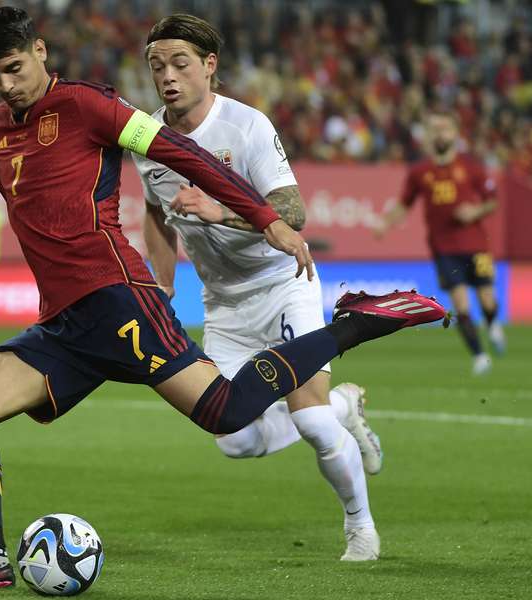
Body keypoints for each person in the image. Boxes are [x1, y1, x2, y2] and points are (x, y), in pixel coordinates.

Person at [0, 7, 445, 589]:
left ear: (41, 52)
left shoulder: (90, 108)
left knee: (225, 414)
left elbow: (188, 158)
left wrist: (267, 218)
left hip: (117, 298)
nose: (7, 85)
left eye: (14, 67)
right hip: (64, 325)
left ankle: (354, 323)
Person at [132, 14, 382, 561]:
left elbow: (292, 212)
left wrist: (219, 209)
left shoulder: (245, 127)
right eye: (157, 66)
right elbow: (155, 211)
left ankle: (360, 527)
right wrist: (163, 286)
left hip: (280, 285)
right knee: (234, 439)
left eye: (179, 63)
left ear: (209, 66)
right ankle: (343, 406)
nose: (167, 76)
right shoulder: (145, 139)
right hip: (224, 306)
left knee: (311, 421)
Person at [375, 110, 504, 375]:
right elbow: (404, 204)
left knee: (487, 300)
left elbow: (492, 199)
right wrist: (385, 223)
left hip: (477, 245)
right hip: (444, 248)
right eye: (435, 129)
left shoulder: (471, 166)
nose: (440, 133)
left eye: (445, 128)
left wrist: (474, 212)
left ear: (455, 134)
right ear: (429, 135)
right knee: (461, 304)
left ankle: (492, 324)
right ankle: (479, 355)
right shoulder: (420, 171)